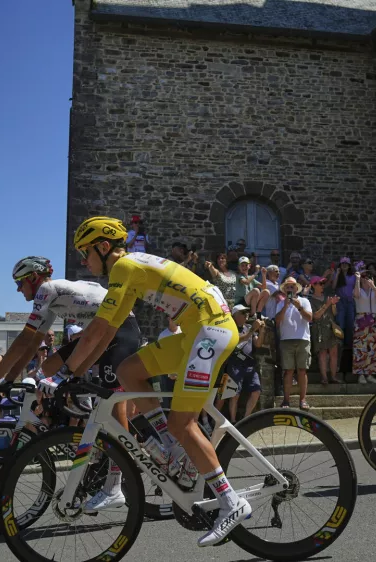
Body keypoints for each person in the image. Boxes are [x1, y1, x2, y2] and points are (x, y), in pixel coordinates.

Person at [60, 216, 249, 546]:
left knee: (183, 423)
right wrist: (76, 373)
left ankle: (231, 502)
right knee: (128, 371)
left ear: (104, 248)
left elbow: (96, 332)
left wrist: (63, 374)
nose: (83, 260)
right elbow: (104, 336)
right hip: (197, 332)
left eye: (85, 252)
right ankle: (172, 450)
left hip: (210, 332)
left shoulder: (124, 268)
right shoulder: (130, 270)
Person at [0, 255, 141, 512]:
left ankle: (115, 485)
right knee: (49, 368)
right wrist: (11, 380)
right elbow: (31, 345)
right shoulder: (52, 301)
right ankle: (85, 423)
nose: (19, 289)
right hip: (100, 333)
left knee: (113, 410)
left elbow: (22, 340)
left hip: (121, 331)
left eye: (20, 283)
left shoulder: (47, 289)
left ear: (33, 277)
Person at [214, 304, 264, 422]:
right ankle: (233, 421)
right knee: (233, 394)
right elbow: (239, 340)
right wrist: (253, 329)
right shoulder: (230, 328)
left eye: (246, 313)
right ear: (235, 315)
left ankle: (245, 419)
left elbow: (258, 344)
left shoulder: (248, 327)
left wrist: (262, 331)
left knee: (256, 391)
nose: (246, 315)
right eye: (242, 313)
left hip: (249, 365)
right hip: (234, 364)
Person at [275, 277, 313, 409]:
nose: (290, 289)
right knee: (288, 371)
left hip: (303, 339)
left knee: (302, 371)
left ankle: (303, 400)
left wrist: (299, 307)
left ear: (296, 289)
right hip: (286, 340)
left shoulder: (304, 301)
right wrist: (285, 305)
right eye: (288, 287)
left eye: (292, 286)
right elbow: (277, 321)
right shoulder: (280, 303)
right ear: (285, 290)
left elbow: (309, 318)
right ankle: (286, 400)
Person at [353, 269, 376, 384]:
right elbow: (355, 294)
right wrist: (357, 279)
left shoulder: (373, 291)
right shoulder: (359, 290)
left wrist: (373, 286)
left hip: (374, 320)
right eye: (364, 277)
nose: (366, 279)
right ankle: (361, 375)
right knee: (361, 348)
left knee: (374, 347)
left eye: (369, 277)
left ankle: (371, 374)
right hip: (362, 319)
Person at [308, 276, 341, 385]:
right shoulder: (310, 300)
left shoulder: (328, 297)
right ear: (313, 285)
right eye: (320, 283)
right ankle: (324, 378)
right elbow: (315, 316)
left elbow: (335, 313)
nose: (322, 285)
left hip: (331, 327)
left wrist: (333, 304)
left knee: (334, 352)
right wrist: (327, 304)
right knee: (322, 353)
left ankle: (333, 376)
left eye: (323, 283)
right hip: (319, 329)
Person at [331, 257, 357, 351]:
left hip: (350, 301)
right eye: (342, 263)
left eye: (346, 263)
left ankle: (348, 345)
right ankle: (339, 344)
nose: (344, 265)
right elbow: (333, 286)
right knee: (340, 323)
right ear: (340, 265)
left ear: (349, 265)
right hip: (340, 302)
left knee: (350, 324)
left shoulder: (353, 276)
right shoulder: (337, 274)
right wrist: (337, 273)